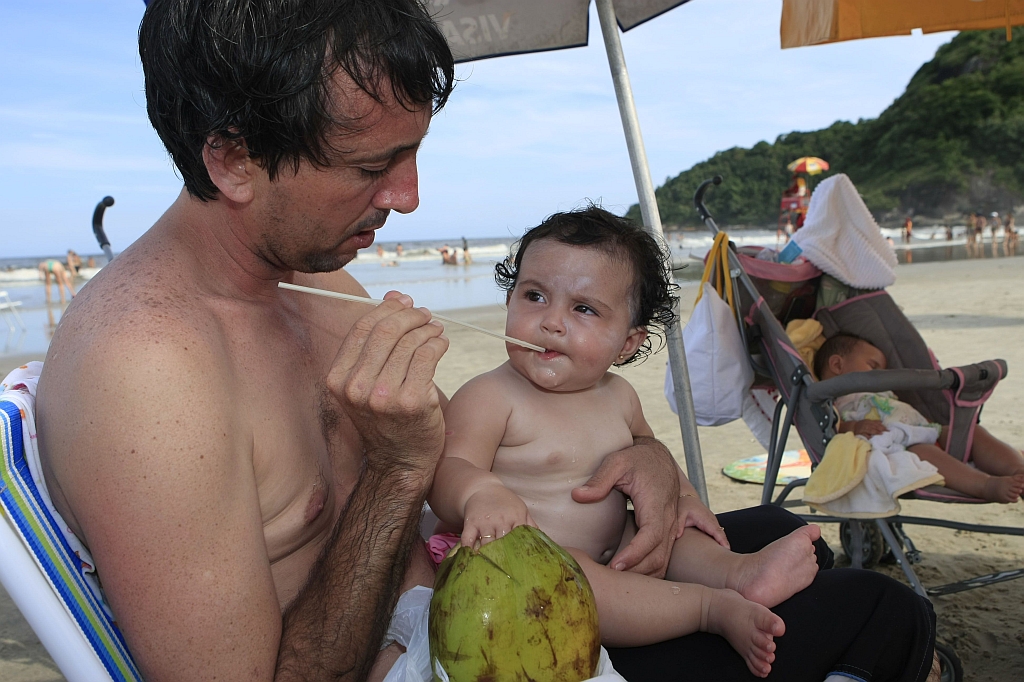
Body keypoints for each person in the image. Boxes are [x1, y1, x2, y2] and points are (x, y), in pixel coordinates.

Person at [32, 2, 937, 681]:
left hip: (485, 603)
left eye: (412, 153)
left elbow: (515, 445)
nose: (411, 198)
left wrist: (650, 465)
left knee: (781, 529)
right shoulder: (147, 370)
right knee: (877, 614)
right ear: (230, 159)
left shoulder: (319, 285)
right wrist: (396, 470)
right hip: (463, 653)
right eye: (369, 166)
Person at [430, 208, 939, 682]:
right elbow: (450, 466)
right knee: (580, 576)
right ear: (509, 297)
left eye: (583, 308)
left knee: (671, 533)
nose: (551, 321)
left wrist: (688, 502)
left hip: (623, 547)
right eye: (534, 295)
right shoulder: (491, 395)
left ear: (627, 342)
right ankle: (708, 609)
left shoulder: (618, 395)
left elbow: (652, 456)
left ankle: (739, 574)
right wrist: (479, 493)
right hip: (540, 580)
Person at [815, 334, 1024, 503]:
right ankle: (986, 485)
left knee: (972, 432)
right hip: (901, 447)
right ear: (837, 365)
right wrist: (854, 426)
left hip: (926, 431)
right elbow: (833, 429)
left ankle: (1018, 470)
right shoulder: (836, 401)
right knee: (924, 451)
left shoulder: (879, 392)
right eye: (873, 366)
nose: (882, 375)